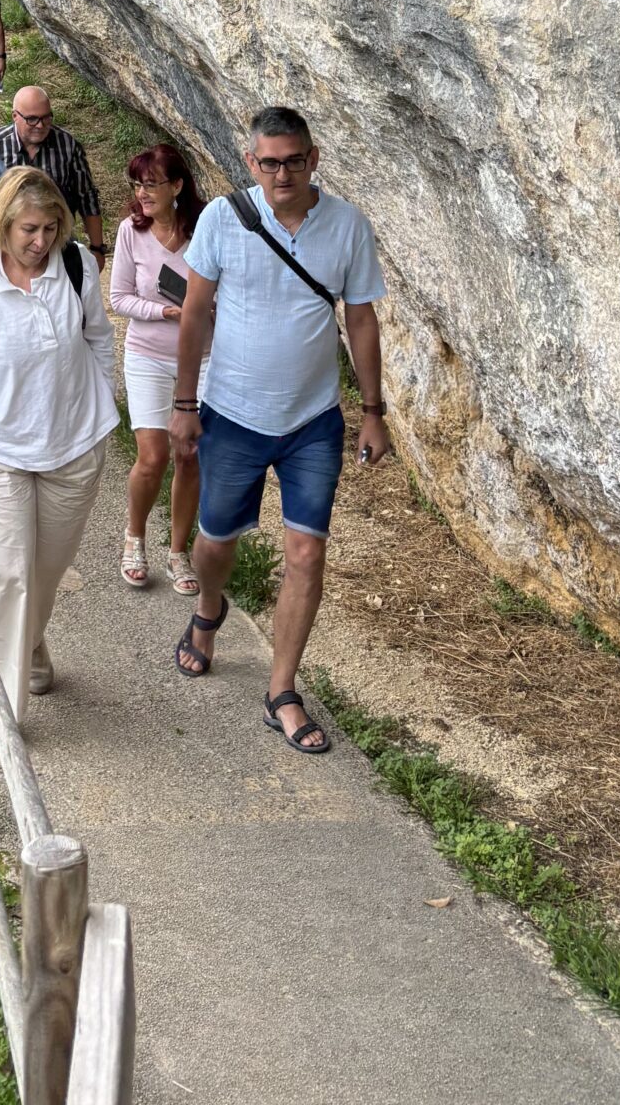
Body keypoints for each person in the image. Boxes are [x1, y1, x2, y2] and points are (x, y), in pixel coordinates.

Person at [167, 106, 389, 754]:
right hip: (233, 415)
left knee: (307, 553)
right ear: (251, 162)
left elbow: (361, 319)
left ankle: (282, 690)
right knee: (214, 544)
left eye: (294, 161)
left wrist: (373, 410)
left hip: (313, 421)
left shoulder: (348, 226)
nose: (282, 174)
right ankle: (209, 608)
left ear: (313, 158)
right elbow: (195, 312)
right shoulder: (223, 219)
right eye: (269, 163)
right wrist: (184, 403)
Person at [0, 168, 118, 737]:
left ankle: (28, 645)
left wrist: (98, 408)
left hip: (72, 446)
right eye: (29, 230)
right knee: (6, 575)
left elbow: (99, 337)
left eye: (50, 228)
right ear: (3, 224)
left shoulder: (75, 265)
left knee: (45, 571)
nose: (41, 241)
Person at [108, 144, 209, 593]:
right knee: (153, 456)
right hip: (147, 352)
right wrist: (164, 311)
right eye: (138, 184)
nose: (142, 193)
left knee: (190, 454)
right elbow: (119, 298)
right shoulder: (131, 231)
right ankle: (135, 537)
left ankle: (179, 551)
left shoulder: (205, 231)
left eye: (151, 184)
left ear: (177, 186)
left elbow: (228, 291)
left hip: (203, 357)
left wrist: (206, 308)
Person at [0, 87, 104, 260]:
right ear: (15, 116)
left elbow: (87, 197)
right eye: (32, 119)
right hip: (6, 251)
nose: (40, 125)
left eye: (46, 118)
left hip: (57, 246)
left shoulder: (67, 145)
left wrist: (98, 249)